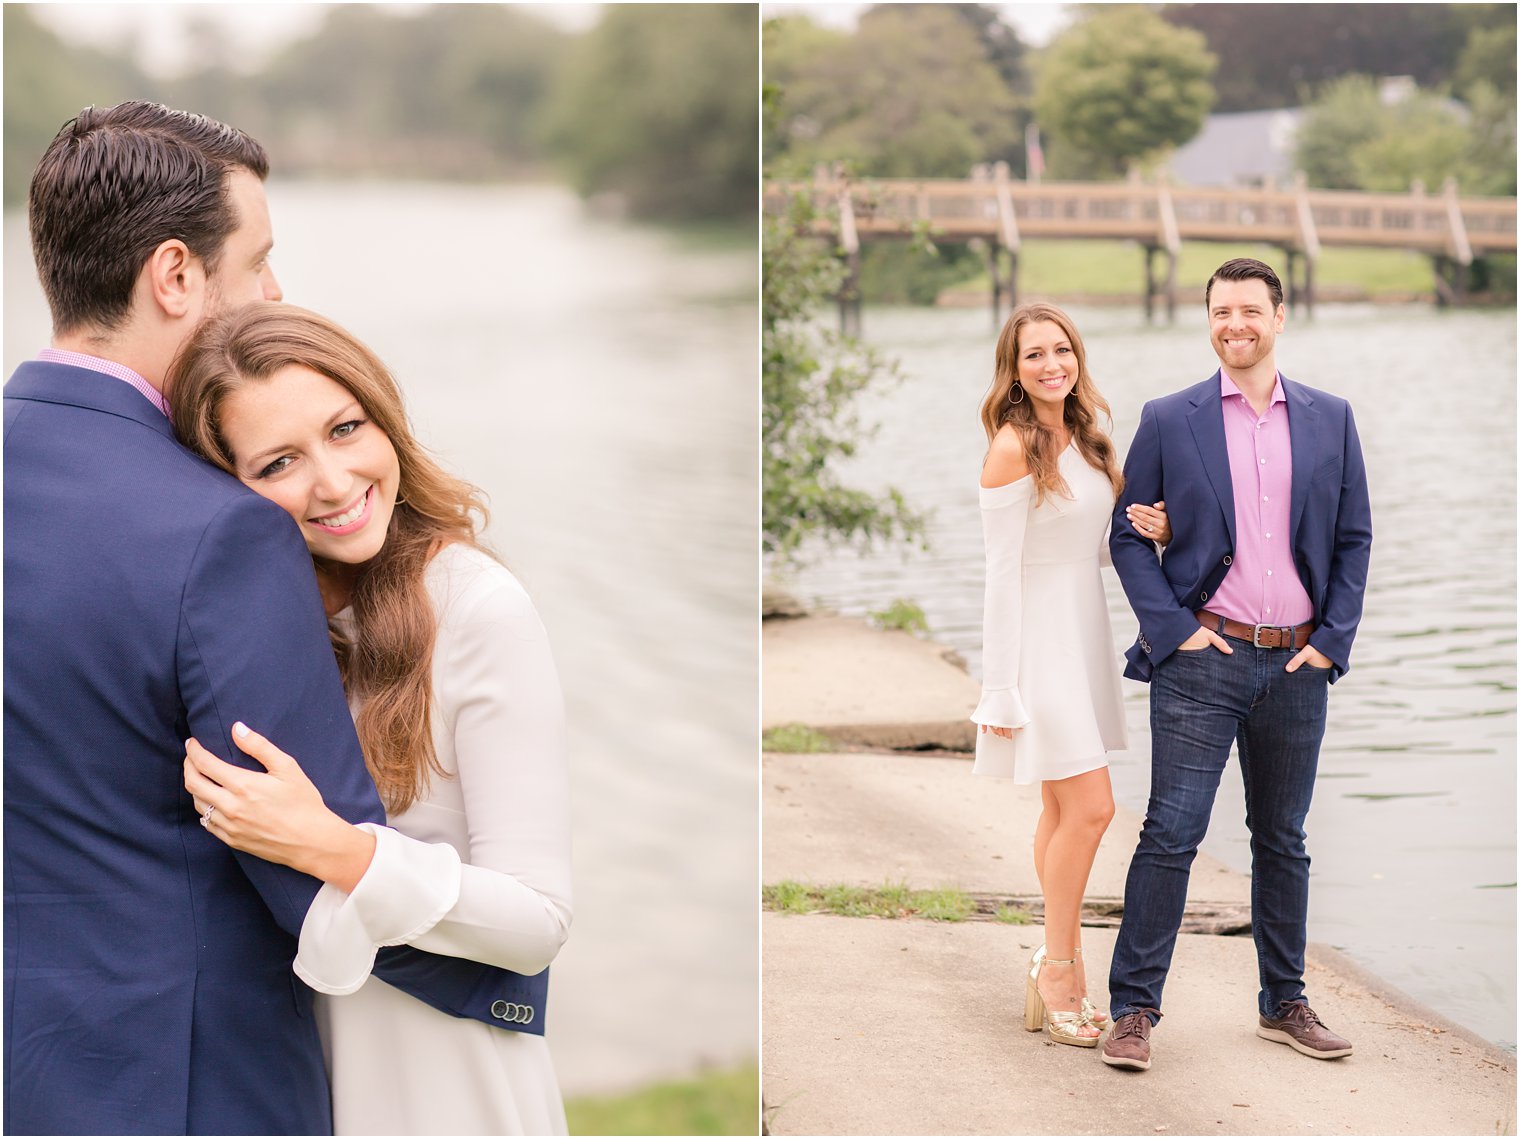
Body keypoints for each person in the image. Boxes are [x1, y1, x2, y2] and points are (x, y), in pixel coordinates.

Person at [3, 101, 539, 1136]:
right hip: (192, 1081)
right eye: (257, 260)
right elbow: (324, 874)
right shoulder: (223, 530)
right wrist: (513, 981)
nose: (275, 291)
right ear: (174, 276)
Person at [168, 302, 572, 1134]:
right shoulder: (247, 633)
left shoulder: (474, 607)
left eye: (346, 428)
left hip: (447, 1073)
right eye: (278, 462)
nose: (334, 481)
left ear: (384, 417)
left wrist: (330, 845)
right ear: (225, 487)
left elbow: (537, 922)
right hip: (291, 1067)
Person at [1102, 257, 1372, 1072]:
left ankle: (1283, 1001)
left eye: (1250, 310)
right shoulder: (1168, 417)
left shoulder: (1331, 418)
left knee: (1282, 838)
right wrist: (1173, 629)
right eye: (1221, 311)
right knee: (1170, 832)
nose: (1234, 324)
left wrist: (1332, 641)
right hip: (1202, 658)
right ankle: (1133, 1010)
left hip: (1297, 663)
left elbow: (1354, 538)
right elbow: (1127, 533)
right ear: (1210, 319)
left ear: (1278, 316)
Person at [971, 301, 1170, 1047]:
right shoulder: (1013, 445)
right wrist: (998, 687)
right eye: (1034, 355)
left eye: (1063, 350)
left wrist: (1160, 526)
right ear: (1013, 370)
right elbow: (1000, 574)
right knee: (1092, 809)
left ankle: (1059, 961)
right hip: (1036, 645)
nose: (1052, 365)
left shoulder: (1089, 440)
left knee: (1062, 812)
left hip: (1083, 631)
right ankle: (1060, 966)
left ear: (1077, 357)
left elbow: (1097, 545)